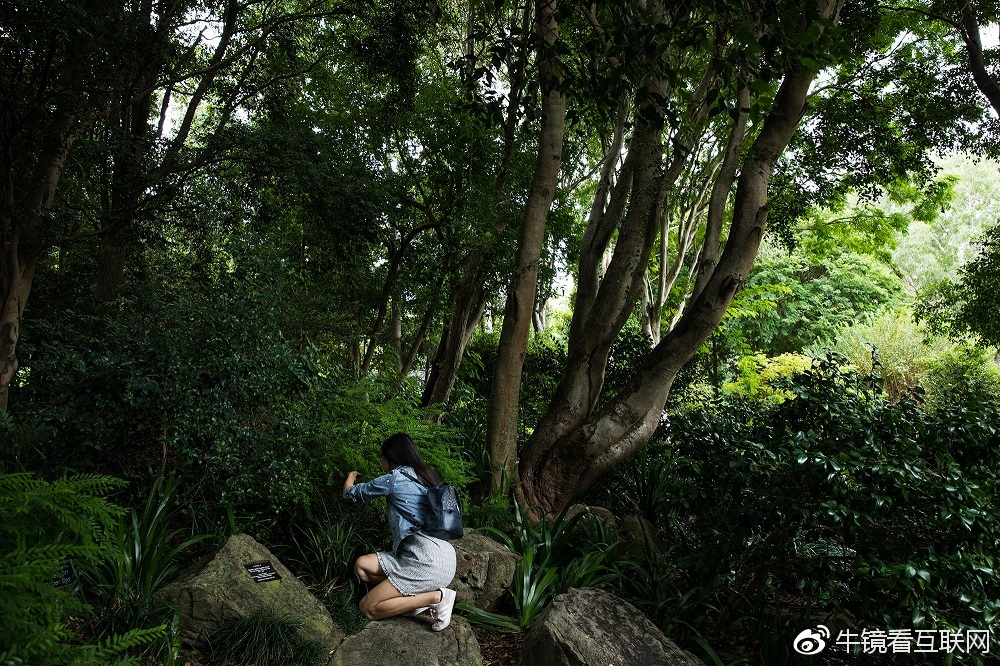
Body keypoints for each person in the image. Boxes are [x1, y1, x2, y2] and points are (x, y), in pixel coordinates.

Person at [342, 432, 458, 630]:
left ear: (390, 457)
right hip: (443, 557)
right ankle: (415, 599)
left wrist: (350, 476)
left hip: (424, 561)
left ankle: (436, 597)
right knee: (362, 567)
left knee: (367, 607)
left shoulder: (394, 478)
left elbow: (351, 494)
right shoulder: (427, 477)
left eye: (382, 457)